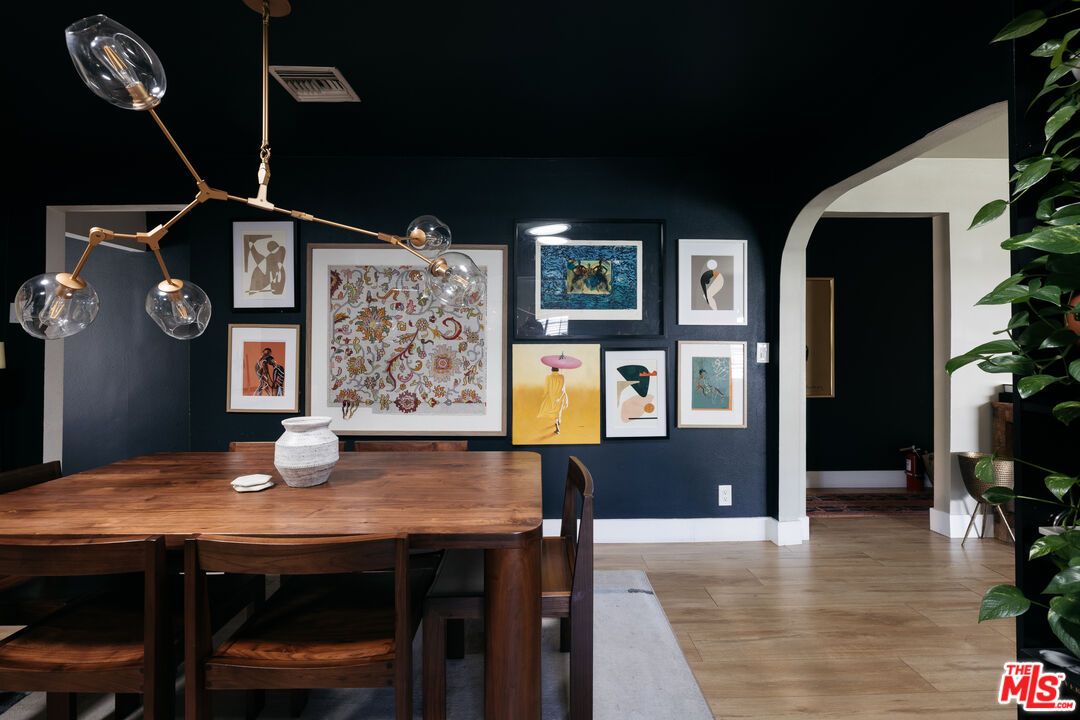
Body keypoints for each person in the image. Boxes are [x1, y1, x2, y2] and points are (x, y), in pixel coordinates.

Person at [537, 366, 569, 435]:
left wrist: (544, 394)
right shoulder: (562, 377)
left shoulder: (548, 377)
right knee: (558, 410)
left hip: (552, 397)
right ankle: (558, 423)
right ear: (558, 369)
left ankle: (557, 424)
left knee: (553, 411)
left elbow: (546, 388)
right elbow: (564, 387)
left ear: (551, 369)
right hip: (560, 396)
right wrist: (565, 396)